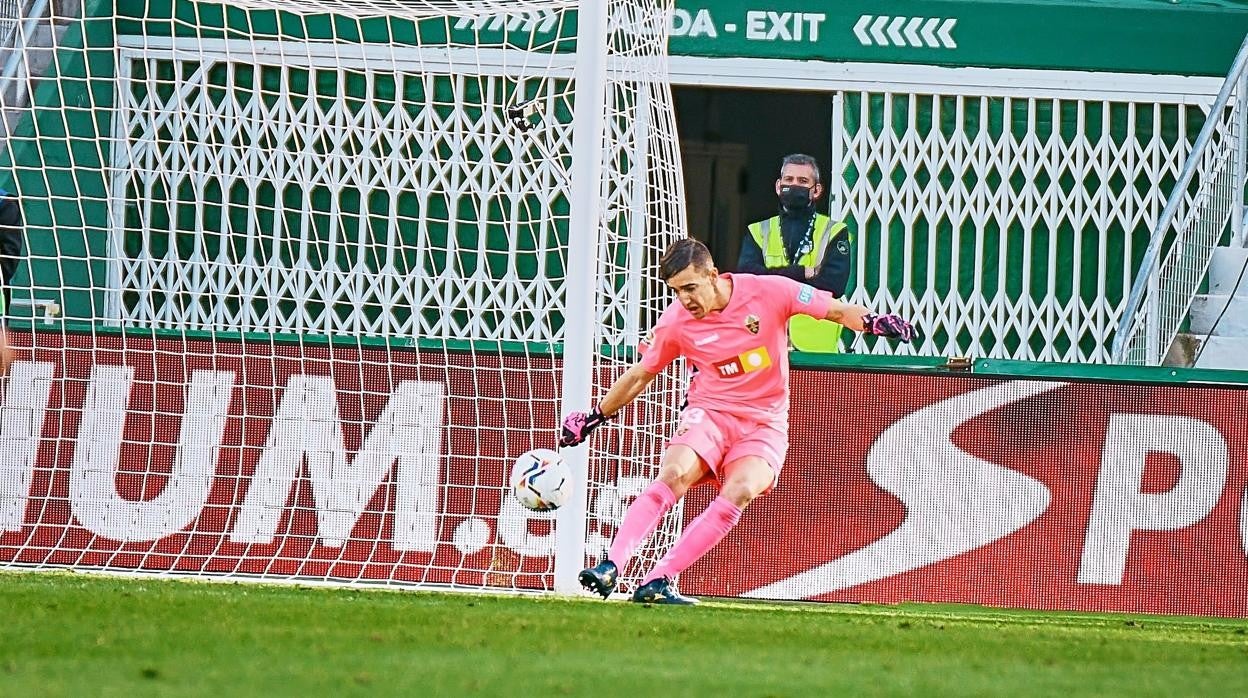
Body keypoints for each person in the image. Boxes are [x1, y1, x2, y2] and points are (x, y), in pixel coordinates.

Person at [560, 238, 914, 605]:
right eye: (677, 291)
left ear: (713, 275)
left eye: (691, 288)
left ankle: (661, 578)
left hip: (765, 423)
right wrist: (595, 416)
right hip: (711, 412)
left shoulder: (770, 291)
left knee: (742, 489)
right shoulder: (676, 323)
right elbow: (639, 376)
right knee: (674, 473)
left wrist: (872, 322)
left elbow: (836, 311)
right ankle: (611, 565)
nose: (685, 300)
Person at [738, 153, 852, 353]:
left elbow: (833, 285)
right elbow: (747, 280)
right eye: (789, 180)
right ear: (778, 186)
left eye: (803, 181)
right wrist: (800, 273)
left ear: (816, 190)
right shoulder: (758, 231)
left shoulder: (834, 231)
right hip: (765, 344)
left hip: (815, 349)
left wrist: (770, 279)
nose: (794, 185)